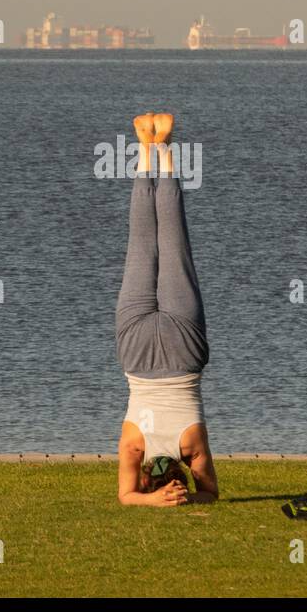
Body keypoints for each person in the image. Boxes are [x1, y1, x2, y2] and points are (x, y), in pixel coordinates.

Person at [115, 112, 219, 506]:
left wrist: (188, 500)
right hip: (137, 354)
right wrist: (151, 500)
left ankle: (163, 148)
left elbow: (211, 493)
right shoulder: (135, 448)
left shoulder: (192, 448)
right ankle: (146, 146)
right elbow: (127, 497)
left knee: (174, 242)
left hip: (183, 350)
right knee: (141, 243)